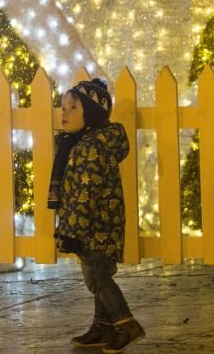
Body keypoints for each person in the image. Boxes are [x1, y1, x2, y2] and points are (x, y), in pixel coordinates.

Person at [48, 78, 144, 352]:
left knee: (97, 279)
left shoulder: (91, 146)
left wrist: (72, 232)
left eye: (72, 108)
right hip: (96, 224)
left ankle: (127, 325)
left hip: (95, 225)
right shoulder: (78, 143)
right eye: (63, 106)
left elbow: (86, 192)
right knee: (97, 273)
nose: (64, 113)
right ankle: (103, 327)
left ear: (90, 114)